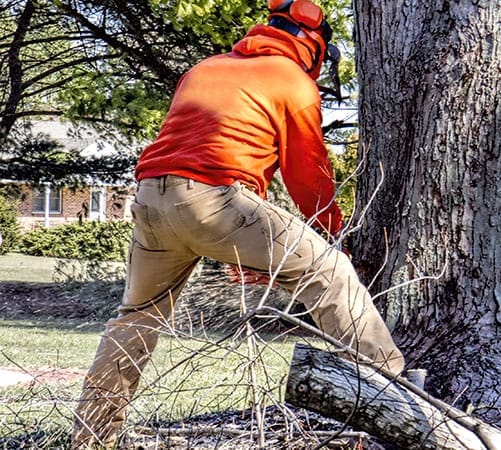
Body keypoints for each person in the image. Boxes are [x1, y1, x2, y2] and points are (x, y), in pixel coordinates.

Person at [71, 1, 405, 446]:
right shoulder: (293, 81)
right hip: (215, 199)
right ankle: (402, 398)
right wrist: (333, 235)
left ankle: (92, 435)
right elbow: (307, 176)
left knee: (136, 317)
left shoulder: (205, 68)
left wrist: (243, 249)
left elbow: (215, 148)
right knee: (332, 274)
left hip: (151, 199)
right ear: (313, 45)